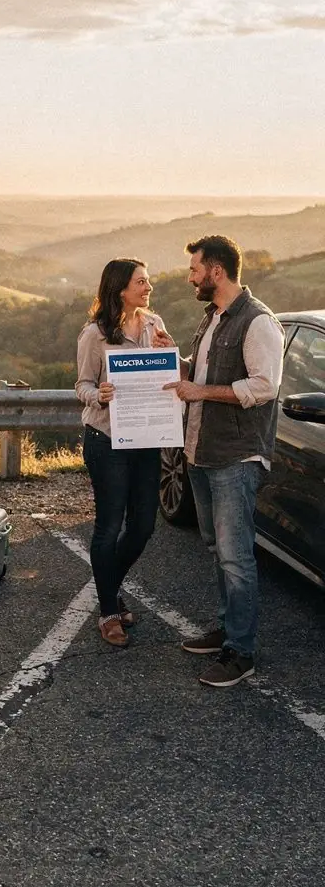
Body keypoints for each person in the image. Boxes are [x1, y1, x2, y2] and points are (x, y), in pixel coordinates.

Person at [167, 235, 284, 688]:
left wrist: (201, 391)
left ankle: (241, 651)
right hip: (202, 452)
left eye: (195, 269)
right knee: (218, 551)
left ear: (216, 271)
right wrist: (171, 356)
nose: (190, 277)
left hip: (236, 457)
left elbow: (263, 387)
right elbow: (198, 371)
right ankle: (227, 629)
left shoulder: (259, 322)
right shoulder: (212, 316)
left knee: (236, 557)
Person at [76, 259, 174, 648]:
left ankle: (108, 587)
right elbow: (81, 385)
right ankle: (108, 612)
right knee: (109, 525)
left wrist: (172, 353)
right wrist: (97, 394)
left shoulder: (155, 324)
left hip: (146, 439)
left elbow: (167, 377)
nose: (148, 286)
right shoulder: (94, 334)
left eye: (148, 280)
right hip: (106, 439)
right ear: (119, 288)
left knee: (144, 527)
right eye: (141, 281)